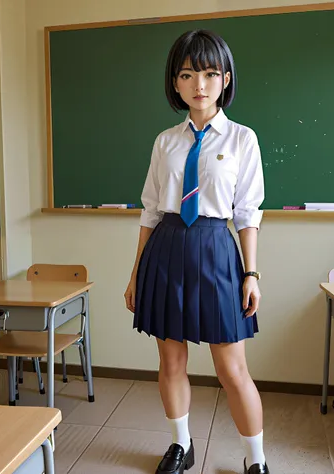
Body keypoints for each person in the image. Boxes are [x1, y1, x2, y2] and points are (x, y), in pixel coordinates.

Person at [124, 29, 268, 474]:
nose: (199, 84)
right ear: (175, 83)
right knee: (171, 361)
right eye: (187, 74)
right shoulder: (165, 142)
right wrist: (135, 274)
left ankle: (255, 460)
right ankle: (181, 446)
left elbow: (247, 213)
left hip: (215, 252)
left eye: (209, 73)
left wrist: (251, 274)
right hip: (165, 249)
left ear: (225, 79)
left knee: (232, 369)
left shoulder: (242, 139)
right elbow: (149, 211)